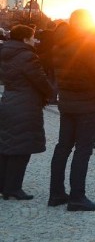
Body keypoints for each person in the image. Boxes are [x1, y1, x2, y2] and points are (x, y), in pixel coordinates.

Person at [49, 10, 95, 211]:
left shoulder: (59, 44)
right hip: (87, 102)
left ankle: (56, 193)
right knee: (83, 149)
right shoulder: (86, 45)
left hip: (67, 101)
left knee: (63, 147)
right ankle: (77, 197)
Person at [0, 25, 54, 200]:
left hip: (9, 100)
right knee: (21, 148)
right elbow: (40, 80)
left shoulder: (5, 53)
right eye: (32, 37)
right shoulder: (27, 56)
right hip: (25, 104)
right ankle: (14, 188)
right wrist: (50, 93)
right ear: (24, 39)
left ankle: (4, 186)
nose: (34, 40)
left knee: (7, 145)